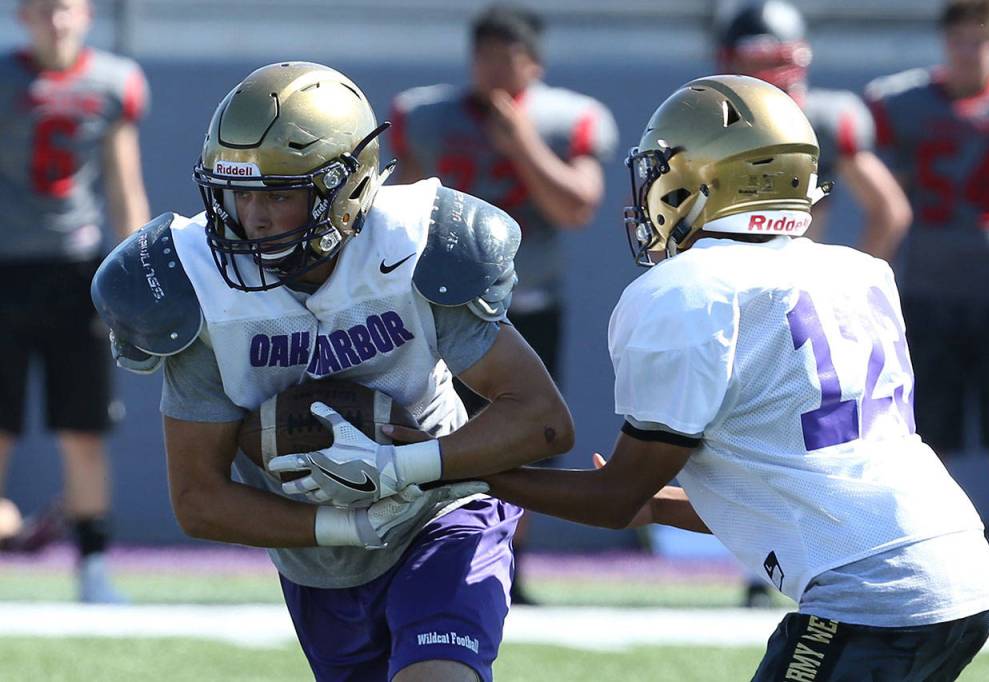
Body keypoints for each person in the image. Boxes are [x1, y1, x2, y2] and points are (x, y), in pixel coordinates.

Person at [455, 75, 989, 680]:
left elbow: (613, 500)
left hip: (875, 596)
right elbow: (800, 490)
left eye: (661, 172)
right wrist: (659, 507)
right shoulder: (858, 271)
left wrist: (463, 468)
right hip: (958, 565)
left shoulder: (690, 292)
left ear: (703, 179)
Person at [92, 62, 573, 682]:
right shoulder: (199, 288)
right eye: (239, 193)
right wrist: (347, 525)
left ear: (346, 192)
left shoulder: (411, 246)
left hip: (441, 513)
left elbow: (543, 420)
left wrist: (406, 468)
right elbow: (197, 498)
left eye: (280, 193)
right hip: (315, 561)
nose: (255, 217)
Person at [390, 3, 617, 603]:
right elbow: (398, 202)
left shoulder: (566, 120)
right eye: (484, 54)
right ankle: (422, 549)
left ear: (535, 63)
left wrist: (520, 141)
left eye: (507, 55)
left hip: (527, 301)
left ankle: (513, 562)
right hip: (438, 305)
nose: (492, 68)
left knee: (524, 430)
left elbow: (577, 207)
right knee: (430, 423)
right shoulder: (428, 115)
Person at [717, 0, 913, 608]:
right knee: (737, 432)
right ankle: (763, 564)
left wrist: (839, 283)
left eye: (781, 60)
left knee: (810, 432)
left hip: (792, 303)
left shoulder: (825, 116)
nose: (774, 73)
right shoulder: (710, 115)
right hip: (731, 292)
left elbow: (889, 210)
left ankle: (827, 555)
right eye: (759, 61)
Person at [865, 0, 989, 613]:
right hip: (929, 295)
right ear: (943, 41)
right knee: (926, 443)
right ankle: (936, 568)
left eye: (981, 41)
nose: (968, 52)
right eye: (959, 39)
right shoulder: (902, 104)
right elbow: (885, 194)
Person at [0, 0, 149, 602]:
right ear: (22, 17)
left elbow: (122, 181)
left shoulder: (113, 82)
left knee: (83, 430)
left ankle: (92, 567)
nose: (54, 22)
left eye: (62, 9)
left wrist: (136, 270)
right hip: (5, 269)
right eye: (41, 10)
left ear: (84, 14)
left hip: (79, 274)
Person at [717, 0, 911, 260]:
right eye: (752, 61)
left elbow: (890, 211)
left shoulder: (821, 121)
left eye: (772, 61)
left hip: (796, 272)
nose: (761, 74)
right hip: (727, 270)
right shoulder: (714, 120)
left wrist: (852, 284)